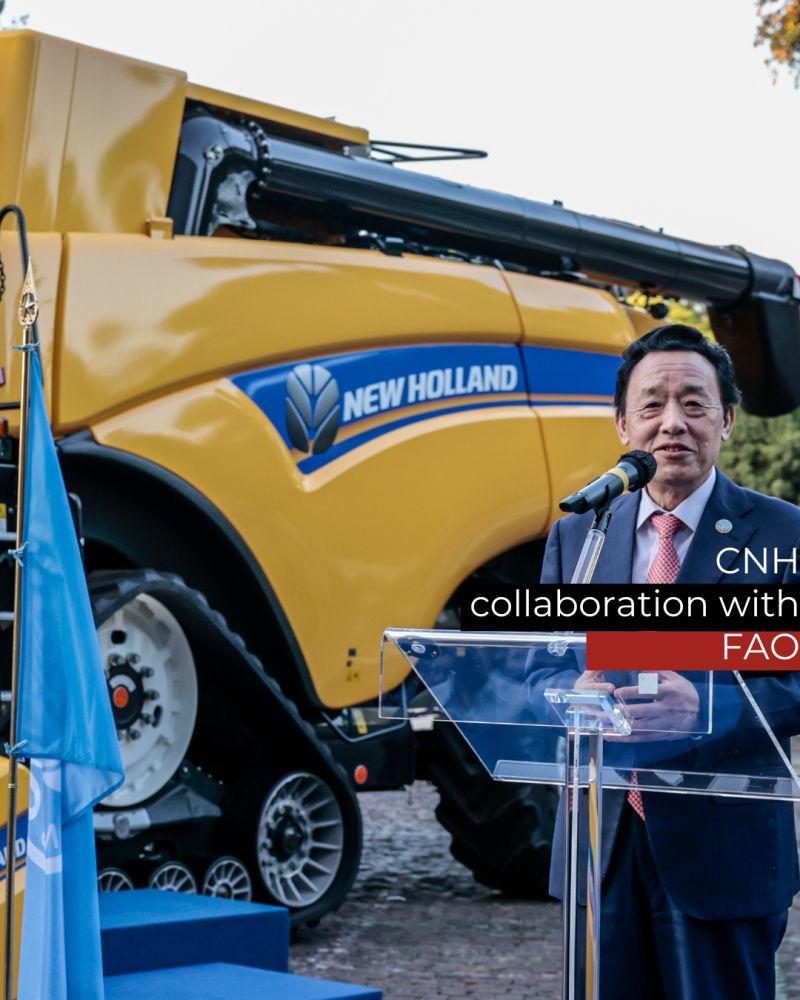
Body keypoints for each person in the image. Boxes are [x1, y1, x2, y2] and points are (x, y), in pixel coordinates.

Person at [532, 323, 800, 1000]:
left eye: (694, 403)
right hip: (602, 845)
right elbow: (538, 670)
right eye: (652, 405)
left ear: (728, 420)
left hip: (724, 850)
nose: (672, 423)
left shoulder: (782, 534)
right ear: (623, 423)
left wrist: (708, 709)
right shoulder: (578, 536)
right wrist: (570, 693)